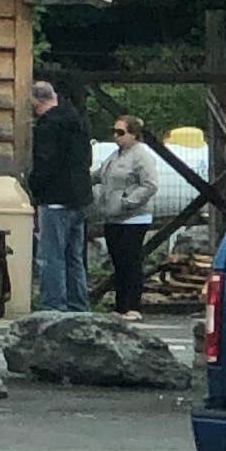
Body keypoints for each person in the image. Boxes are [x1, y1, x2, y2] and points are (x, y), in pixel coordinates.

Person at [28, 77, 93, 311]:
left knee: (51, 257)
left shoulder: (47, 126)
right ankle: (79, 306)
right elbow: (88, 159)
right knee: (74, 258)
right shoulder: (79, 121)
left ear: (36, 102)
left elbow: (45, 163)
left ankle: (53, 307)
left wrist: (33, 188)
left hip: (55, 199)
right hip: (80, 198)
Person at [89, 113, 161, 315]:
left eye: (120, 132)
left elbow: (150, 184)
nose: (116, 136)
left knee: (131, 263)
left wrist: (128, 202)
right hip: (113, 217)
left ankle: (133, 306)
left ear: (134, 135)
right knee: (119, 263)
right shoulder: (115, 155)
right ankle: (121, 307)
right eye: (114, 131)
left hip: (133, 218)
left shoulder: (141, 156)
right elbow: (99, 175)